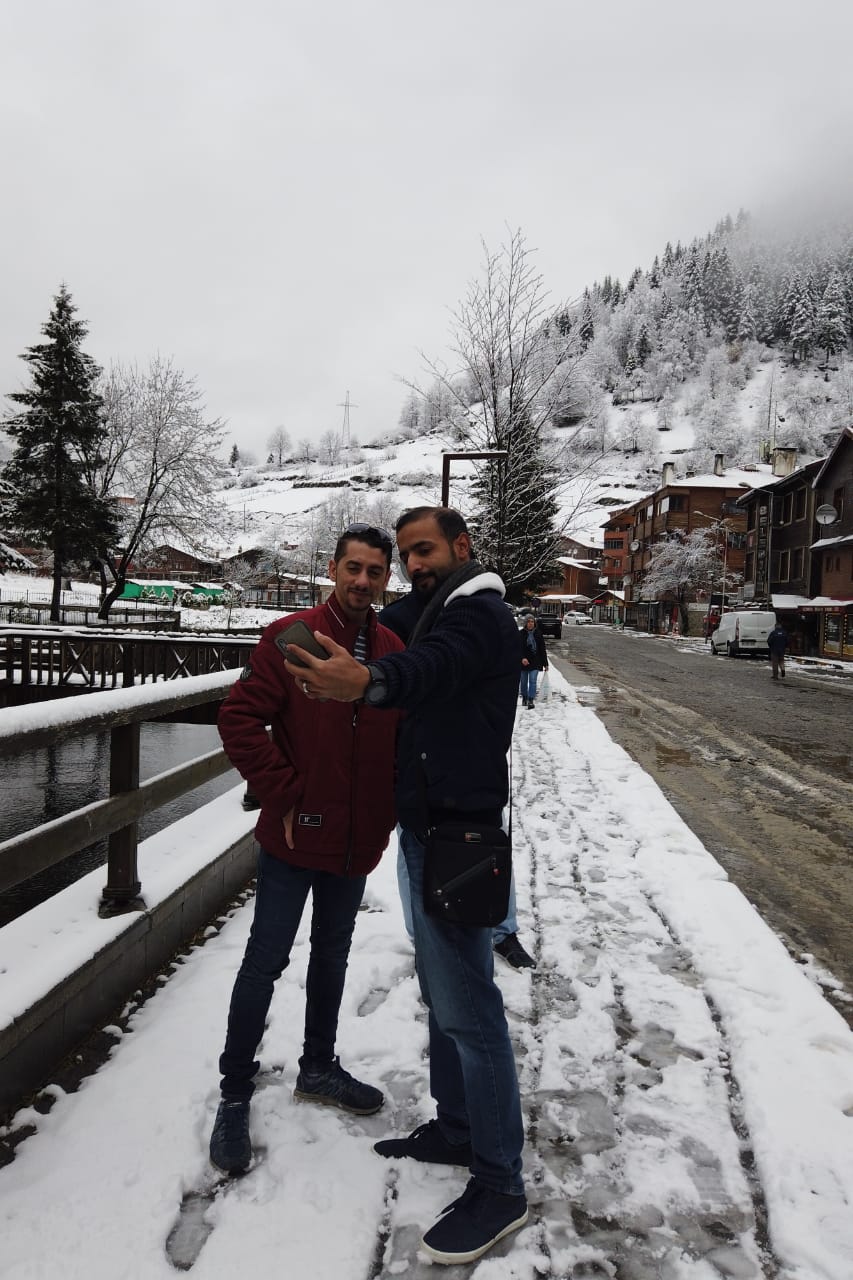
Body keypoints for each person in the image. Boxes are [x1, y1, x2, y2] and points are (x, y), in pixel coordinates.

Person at [284, 507, 528, 1267]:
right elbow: (381, 623)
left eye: (426, 550)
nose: (415, 564)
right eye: (408, 555)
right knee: (444, 992)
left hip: (459, 837)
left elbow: (431, 667)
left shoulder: (478, 614)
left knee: (470, 1010)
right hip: (432, 831)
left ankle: (501, 1184)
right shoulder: (433, 609)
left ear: (462, 547)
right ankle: (457, 1127)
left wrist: (369, 680)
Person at [208, 525, 404, 1175]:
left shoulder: (392, 652)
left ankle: (318, 1066)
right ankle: (234, 1093)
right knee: (264, 962)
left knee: (332, 955)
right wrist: (283, 793)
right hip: (295, 836)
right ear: (332, 568)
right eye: (353, 567)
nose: (362, 581)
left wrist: (387, 809)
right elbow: (239, 718)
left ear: (386, 579)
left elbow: (399, 739)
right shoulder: (289, 637)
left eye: (374, 571)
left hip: (354, 840)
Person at [380, 590, 535, 971]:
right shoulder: (396, 618)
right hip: (413, 765)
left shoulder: (476, 610)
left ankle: (503, 930)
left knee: (491, 848)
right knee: (411, 853)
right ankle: (420, 938)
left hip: (471, 765)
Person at [519, 615, 548, 709]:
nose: (530, 623)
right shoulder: (521, 634)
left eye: (532, 621)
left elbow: (542, 649)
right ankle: (525, 697)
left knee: (532, 680)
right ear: (525, 623)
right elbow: (517, 648)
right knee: (523, 682)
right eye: (528, 622)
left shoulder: (538, 633)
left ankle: (531, 700)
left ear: (534, 623)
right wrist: (522, 658)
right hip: (523, 661)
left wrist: (545, 663)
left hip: (536, 661)